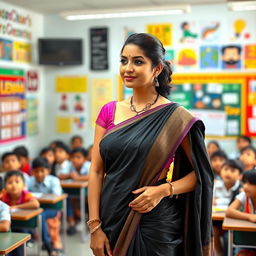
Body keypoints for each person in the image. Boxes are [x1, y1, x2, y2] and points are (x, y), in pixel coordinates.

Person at [88, 33, 213, 256]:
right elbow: (97, 171)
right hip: (110, 219)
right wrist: (94, 226)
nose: (128, 68)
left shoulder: (175, 117)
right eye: (123, 60)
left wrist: (164, 190)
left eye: (138, 62)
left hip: (156, 224)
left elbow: (201, 175)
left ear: (156, 69)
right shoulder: (109, 111)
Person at [27, 157, 63, 256]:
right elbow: (24, 195)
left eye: (42, 171)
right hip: (35, 209)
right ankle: (38, 241)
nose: (39, 174)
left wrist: (36, 197)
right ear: (32, 171)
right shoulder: (29, 181)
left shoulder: (54, 180)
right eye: (36, 171)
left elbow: (56, 196)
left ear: (48, 170)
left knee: (40, 215)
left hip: (52, 209)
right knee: (37, 215)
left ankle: (47, 245)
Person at [212, 159, 243, 256]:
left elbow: (235, 204)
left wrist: (218, 201)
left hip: (234, 220)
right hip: (217, 219)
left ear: (240, 176)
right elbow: (211, 201)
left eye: (232, 171)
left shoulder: (242, 188)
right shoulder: (216, 185)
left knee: (227, 238)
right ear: (220, 172)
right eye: (225, 169)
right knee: (213, 231)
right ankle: (218, 253)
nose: (228, 173)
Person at [226, 170, 256, 255]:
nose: (245, 187)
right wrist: (249, 216)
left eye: (250, 184)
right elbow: (229, 211)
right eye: (245, 183)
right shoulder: (244, 195)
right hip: (246, 240)